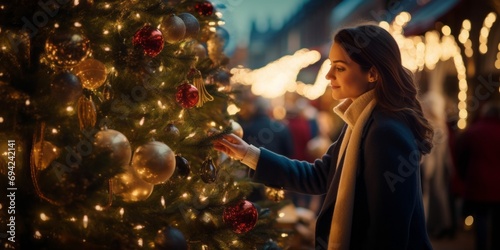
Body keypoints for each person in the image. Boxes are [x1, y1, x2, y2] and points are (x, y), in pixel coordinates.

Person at [214, 23, 434, 249]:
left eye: (339, 68)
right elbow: (319, 176)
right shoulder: (361, 123)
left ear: (372, 73)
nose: (328, 75)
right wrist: (248, 153)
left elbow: (389, 232)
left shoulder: (385, 131)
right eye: (331, 66)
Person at [455, 101, 500, 250]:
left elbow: (461, 156)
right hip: (497, 185)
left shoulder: (473, 131)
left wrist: (464, 175)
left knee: (481, 218)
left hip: (479, 183)